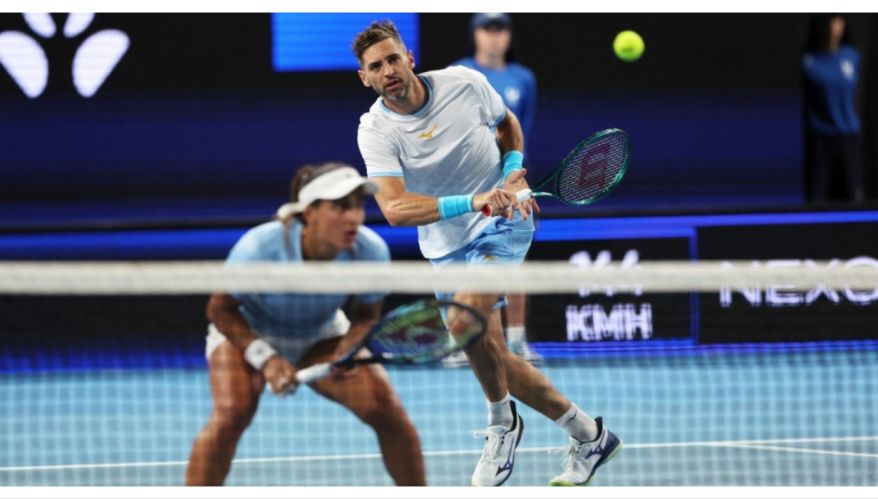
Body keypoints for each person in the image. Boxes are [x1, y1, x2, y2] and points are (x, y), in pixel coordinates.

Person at [353, 20, 621, 487]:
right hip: (445, 243)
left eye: (393, 59)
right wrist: (473, 200)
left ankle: (501, 425)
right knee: (491, 353)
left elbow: (507, 124)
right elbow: (394, 210)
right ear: (365, 78)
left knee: (463, 322)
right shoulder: (375, 130)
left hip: (503, 223)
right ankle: (590, 435)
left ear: (410, 58)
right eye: (376, 66)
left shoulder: (464, 83)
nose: (388, 70)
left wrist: (513, 171)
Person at [185, 163, 426, 486]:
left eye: (357, 206)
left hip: (322, 334)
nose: (354, 217)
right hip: (251, 330)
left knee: (388, 412)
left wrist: (348, 347)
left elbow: (367, 315)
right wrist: (265, 359)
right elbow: (220, 310)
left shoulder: (370, 250)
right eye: (340, 207)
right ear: (310, 212)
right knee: (232, 414)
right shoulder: (261, 247)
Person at [445, 12, 541, 366]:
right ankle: (462, 339)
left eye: (500, 29)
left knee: (515, 255)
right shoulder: (458, 72)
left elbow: (519, 129)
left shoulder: (523, 79)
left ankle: (516, 341)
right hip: (469, 180)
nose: (494, 36)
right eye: (487, 29)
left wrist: (514, 173)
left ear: (508, 35)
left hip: (512, 178)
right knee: (462, 255)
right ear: (476, 34)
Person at [802, 13, 864, 202]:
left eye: (837, 21)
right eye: (828, 21)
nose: (832, 27)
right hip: (821, 138)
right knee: (818, 194)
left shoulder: (852, 57)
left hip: (848, 137)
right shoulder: (809, 62)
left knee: (852, 193)